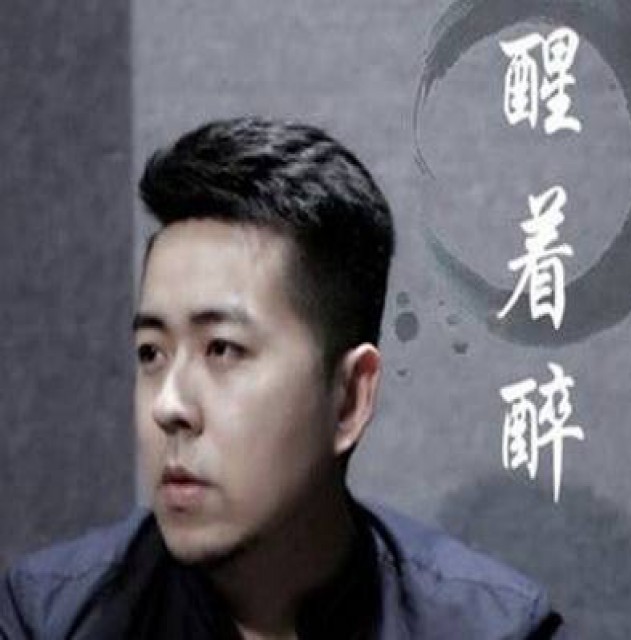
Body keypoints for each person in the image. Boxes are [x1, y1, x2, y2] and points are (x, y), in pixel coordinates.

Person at [0, 117, 566, 639]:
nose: (168, 406)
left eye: (222, 349)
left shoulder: (494, 630)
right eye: (151, 353)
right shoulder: (49, 619)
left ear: (349, 399)